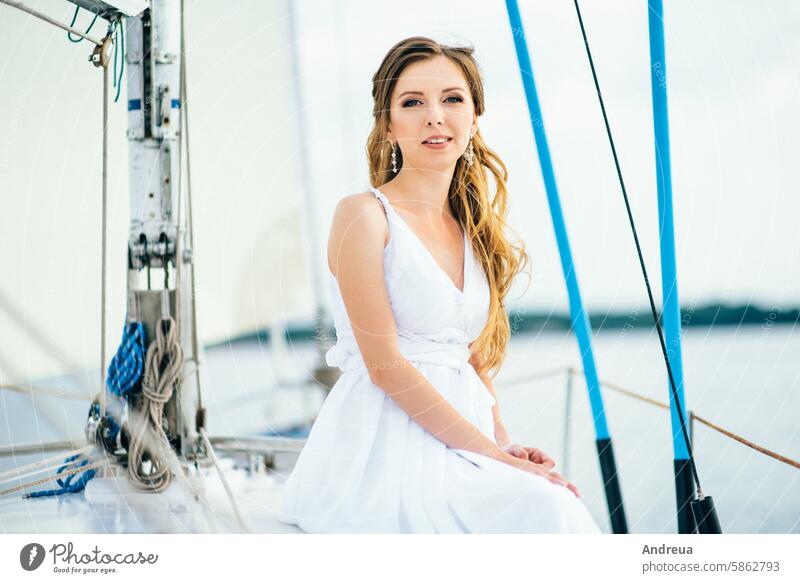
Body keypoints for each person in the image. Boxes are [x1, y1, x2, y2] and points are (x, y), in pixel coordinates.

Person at [279, 36, 602, 534]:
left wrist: (503, 441)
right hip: (384, 448)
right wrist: (493, 455)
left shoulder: (472, 226)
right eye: (412, 102)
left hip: (461, 443)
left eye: (452, 99)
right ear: (388, 125)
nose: (435, 115)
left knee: (555, 508)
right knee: (550, 512)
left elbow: (467, 358)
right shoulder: (363, 216)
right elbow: (385, 366)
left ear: (474, 118)